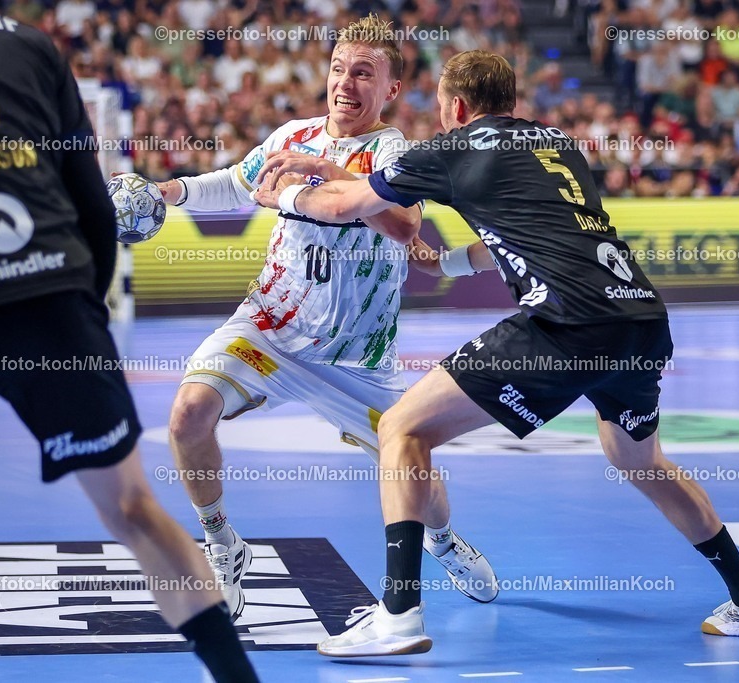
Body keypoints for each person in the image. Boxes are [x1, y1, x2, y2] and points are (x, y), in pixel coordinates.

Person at [254, 49, 739, 657]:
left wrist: (287, 194)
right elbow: (534, 232)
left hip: (567, 325)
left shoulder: (451, 150)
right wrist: (449, 262)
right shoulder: (556, 144)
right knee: (639, 460)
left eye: (439, 107)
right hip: (638, 318)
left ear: (455, 106)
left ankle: (399, 615)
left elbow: (347, 206)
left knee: (403, 429)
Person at [0, 1, 257, 680]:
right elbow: (91, 198)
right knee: (131, 506)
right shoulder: (30, 44)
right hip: (52, 290)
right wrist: (83, 315)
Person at [156, 15, 497, 621]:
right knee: (187, 415)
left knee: (414, 466)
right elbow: (235, 184)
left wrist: (329, 178)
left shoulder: (393, 151)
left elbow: (403, 225)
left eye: (363, 72)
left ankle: (444, 542)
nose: (346, 82)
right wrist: (171, 192)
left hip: (357, 360)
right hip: (269, 332)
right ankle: (221, 542)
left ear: (390, 88)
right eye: (339, 68)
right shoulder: (294, 133)